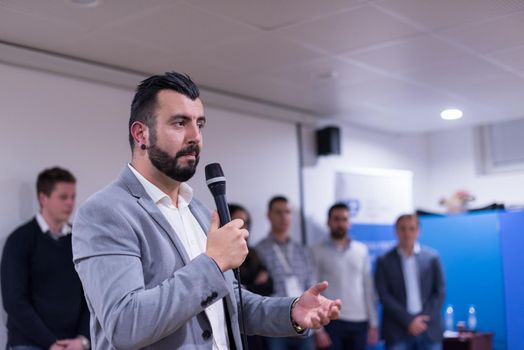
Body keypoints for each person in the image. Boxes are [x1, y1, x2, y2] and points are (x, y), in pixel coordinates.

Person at [71, 71, 341, 350]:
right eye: (179, 123)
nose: (195, 137)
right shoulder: (105, 213)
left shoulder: (197, 210)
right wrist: (212, 264)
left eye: (199, 124)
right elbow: (125, 324)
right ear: (141, 134)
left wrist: (291, 311)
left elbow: (227, 304)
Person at [1, 167, 90, 350]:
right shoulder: (20, 240)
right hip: (29, 343)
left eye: (72, 197)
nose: (70, 203)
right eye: (63, 197)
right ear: (43, 198)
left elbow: (90, 295)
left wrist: (83, 340)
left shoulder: (80, 240)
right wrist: (50, 343)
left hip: (73, 344)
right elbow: (14, 301)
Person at [255, 196, 323, 350]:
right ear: (269, 216)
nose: (283, 217)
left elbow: (312, 286)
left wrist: (319, 328)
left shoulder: (303, 250)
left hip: (304, 323)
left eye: (287, 212)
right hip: (275, 324)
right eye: (278, 212)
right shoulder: (258, 250)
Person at [312, 203, 378, 350]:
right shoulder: (316, 251)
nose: (340, 223)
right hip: (331, 320)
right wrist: (318, 330)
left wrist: (373, 323)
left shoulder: (361, 250)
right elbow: (313, 290)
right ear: (328, 222)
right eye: (336, 219)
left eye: (344, 219)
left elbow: (368, 288)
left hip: (360, 321)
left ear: (349, 223)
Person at [375, 214, 445, 350]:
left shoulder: (432, 258)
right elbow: (384, 295)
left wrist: (423, 319)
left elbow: (439, 292)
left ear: (418, 231)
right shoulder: (384, 260)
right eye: (403, 229)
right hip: (397, 331)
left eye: (412, 229)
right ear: (396, 231)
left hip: (429, 329)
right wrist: (409, 321)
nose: (407, 233)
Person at [229, 203, 273, 350]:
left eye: (246, 223)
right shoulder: (220, 255)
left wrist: (244, 287)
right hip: (232, 325)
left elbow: (269, 285)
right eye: (238, 222)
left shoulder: (253, 253)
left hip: (254, 323)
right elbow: (228, 292)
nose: (244, 228)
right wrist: (251, 286)